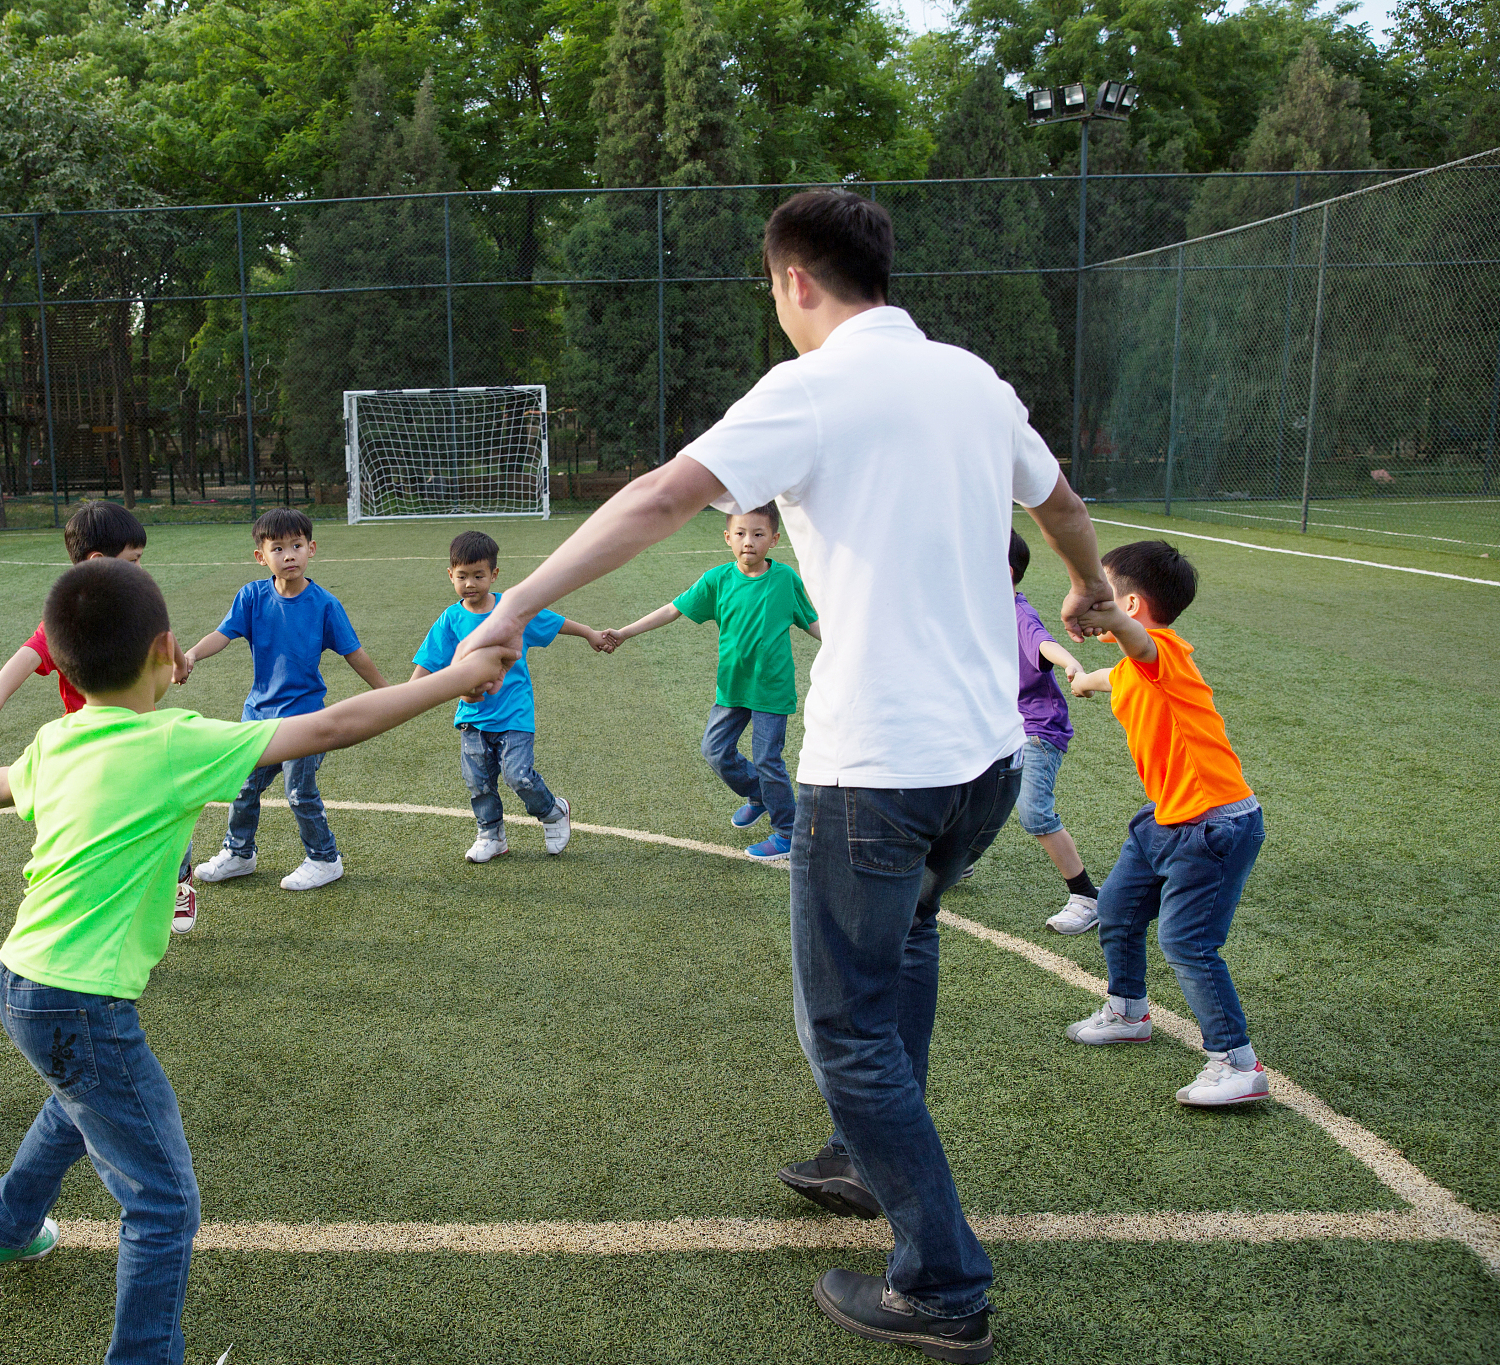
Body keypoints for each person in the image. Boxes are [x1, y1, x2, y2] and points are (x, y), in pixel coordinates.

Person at [449, 188, 1112, 1363]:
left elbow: (663, 498)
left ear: (794, 281)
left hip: (877, 772)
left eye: (771, 288)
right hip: (984, 766)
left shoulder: (808, 387)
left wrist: (508, 606)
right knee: (904, 950)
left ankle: (942, 1283)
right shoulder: (969, 377)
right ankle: (866, 1163)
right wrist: (1091, 588)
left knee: (844, 1028)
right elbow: (1055, 499)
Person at [0, 557, 510, 1365]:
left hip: (19, 981)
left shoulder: (56, 737)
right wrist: (454, 678)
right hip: (78, 999)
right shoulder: (176, 740)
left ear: (60, 665)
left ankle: (5, 1231)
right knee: (164, 1203)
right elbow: (334, 725)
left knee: (78, 1101)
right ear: (168, 651)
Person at [1063, 540, 1270, 1106]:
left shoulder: (1161, 653)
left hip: (1213, 826)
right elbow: (1117, 673)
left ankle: (1237, 1063)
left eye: (1101, 589)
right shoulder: (1136, 667)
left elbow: (1139, 647)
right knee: (1118, 910)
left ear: (1127, 606)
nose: (1090, 596)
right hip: (1165, 821)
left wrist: (1098, 614)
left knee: (1187, 941)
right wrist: (1083, 681)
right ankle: (1128, 1011)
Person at [0, 500, 203, 933]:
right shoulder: (70, 616)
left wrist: (181, 663)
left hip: (137, 736)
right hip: (86, 745)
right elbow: (29, 654)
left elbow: (162, 636)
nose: (141, 570)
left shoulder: (135, 605)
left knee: (165, 807)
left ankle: (180, 875)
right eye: (134, 561)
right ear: (99, 562)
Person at [182, 508, 391, 891]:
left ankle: (324, 859)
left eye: (296, 545)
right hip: (258, 717)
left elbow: (354, 653)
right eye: (278, 548)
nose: (289, 555)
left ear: (311, 549)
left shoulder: (325, 605)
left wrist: (390, 693)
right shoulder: (252, 596)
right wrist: (192, 654)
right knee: (243, 787)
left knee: (299, 792)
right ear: (261, 557)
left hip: (306, 721)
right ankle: (240, 853)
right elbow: (222, 634)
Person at [603, 503, 820, 862]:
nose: (748, 541)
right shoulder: (717, 580)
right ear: (727, 538)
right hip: (732, 689)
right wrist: (626, 632)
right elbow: (673, 609)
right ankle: (759, 794)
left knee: (769, 759)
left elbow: (811, 622)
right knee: (715, 751)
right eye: (740, 533)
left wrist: (845, 648)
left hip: (771, 688)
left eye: (758, 534)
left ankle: (787, 832)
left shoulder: (785, 580)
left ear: (774, 539)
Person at [410, 529, 608, 863]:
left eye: (478, 575)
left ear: (494, 574)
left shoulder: (510, 610)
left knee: (518, 775)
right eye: (462, 577)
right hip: (472, 717)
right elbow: (429, 661)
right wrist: (403, 696)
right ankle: (491, 835)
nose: (470, 583)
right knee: (478, 782)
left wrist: (589, 633)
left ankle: (553, 813)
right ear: (450, 575)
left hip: (514, 712)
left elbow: (553, 621)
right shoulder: (450, 619)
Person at [985, 529, 1103, 932]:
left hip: (1036, 727)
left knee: (1034, 811)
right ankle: (956, 863)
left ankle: (1087, 895)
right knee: (970, 793)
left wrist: (1071, 664)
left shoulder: (1017, 611)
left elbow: (1043, 643)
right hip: (998, 722)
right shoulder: (976, 608)